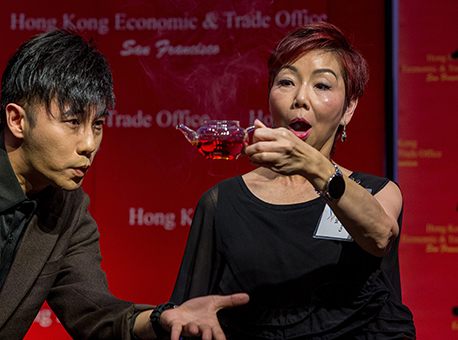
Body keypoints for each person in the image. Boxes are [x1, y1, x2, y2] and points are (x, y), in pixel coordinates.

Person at [0, 29, 249, 340]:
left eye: (98, 124)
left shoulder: (70, 210)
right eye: (73, 122)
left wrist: (161, 318)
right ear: (17, 120)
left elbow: (94, 313)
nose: (89, 144)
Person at [170, 22, 416, 339]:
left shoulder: (377, 191)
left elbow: (380, 236)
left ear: (348, 109)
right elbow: (187, 318)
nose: (300, 98)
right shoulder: (221, 202)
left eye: (322, 86)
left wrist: (314, 167)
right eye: (286, 82)